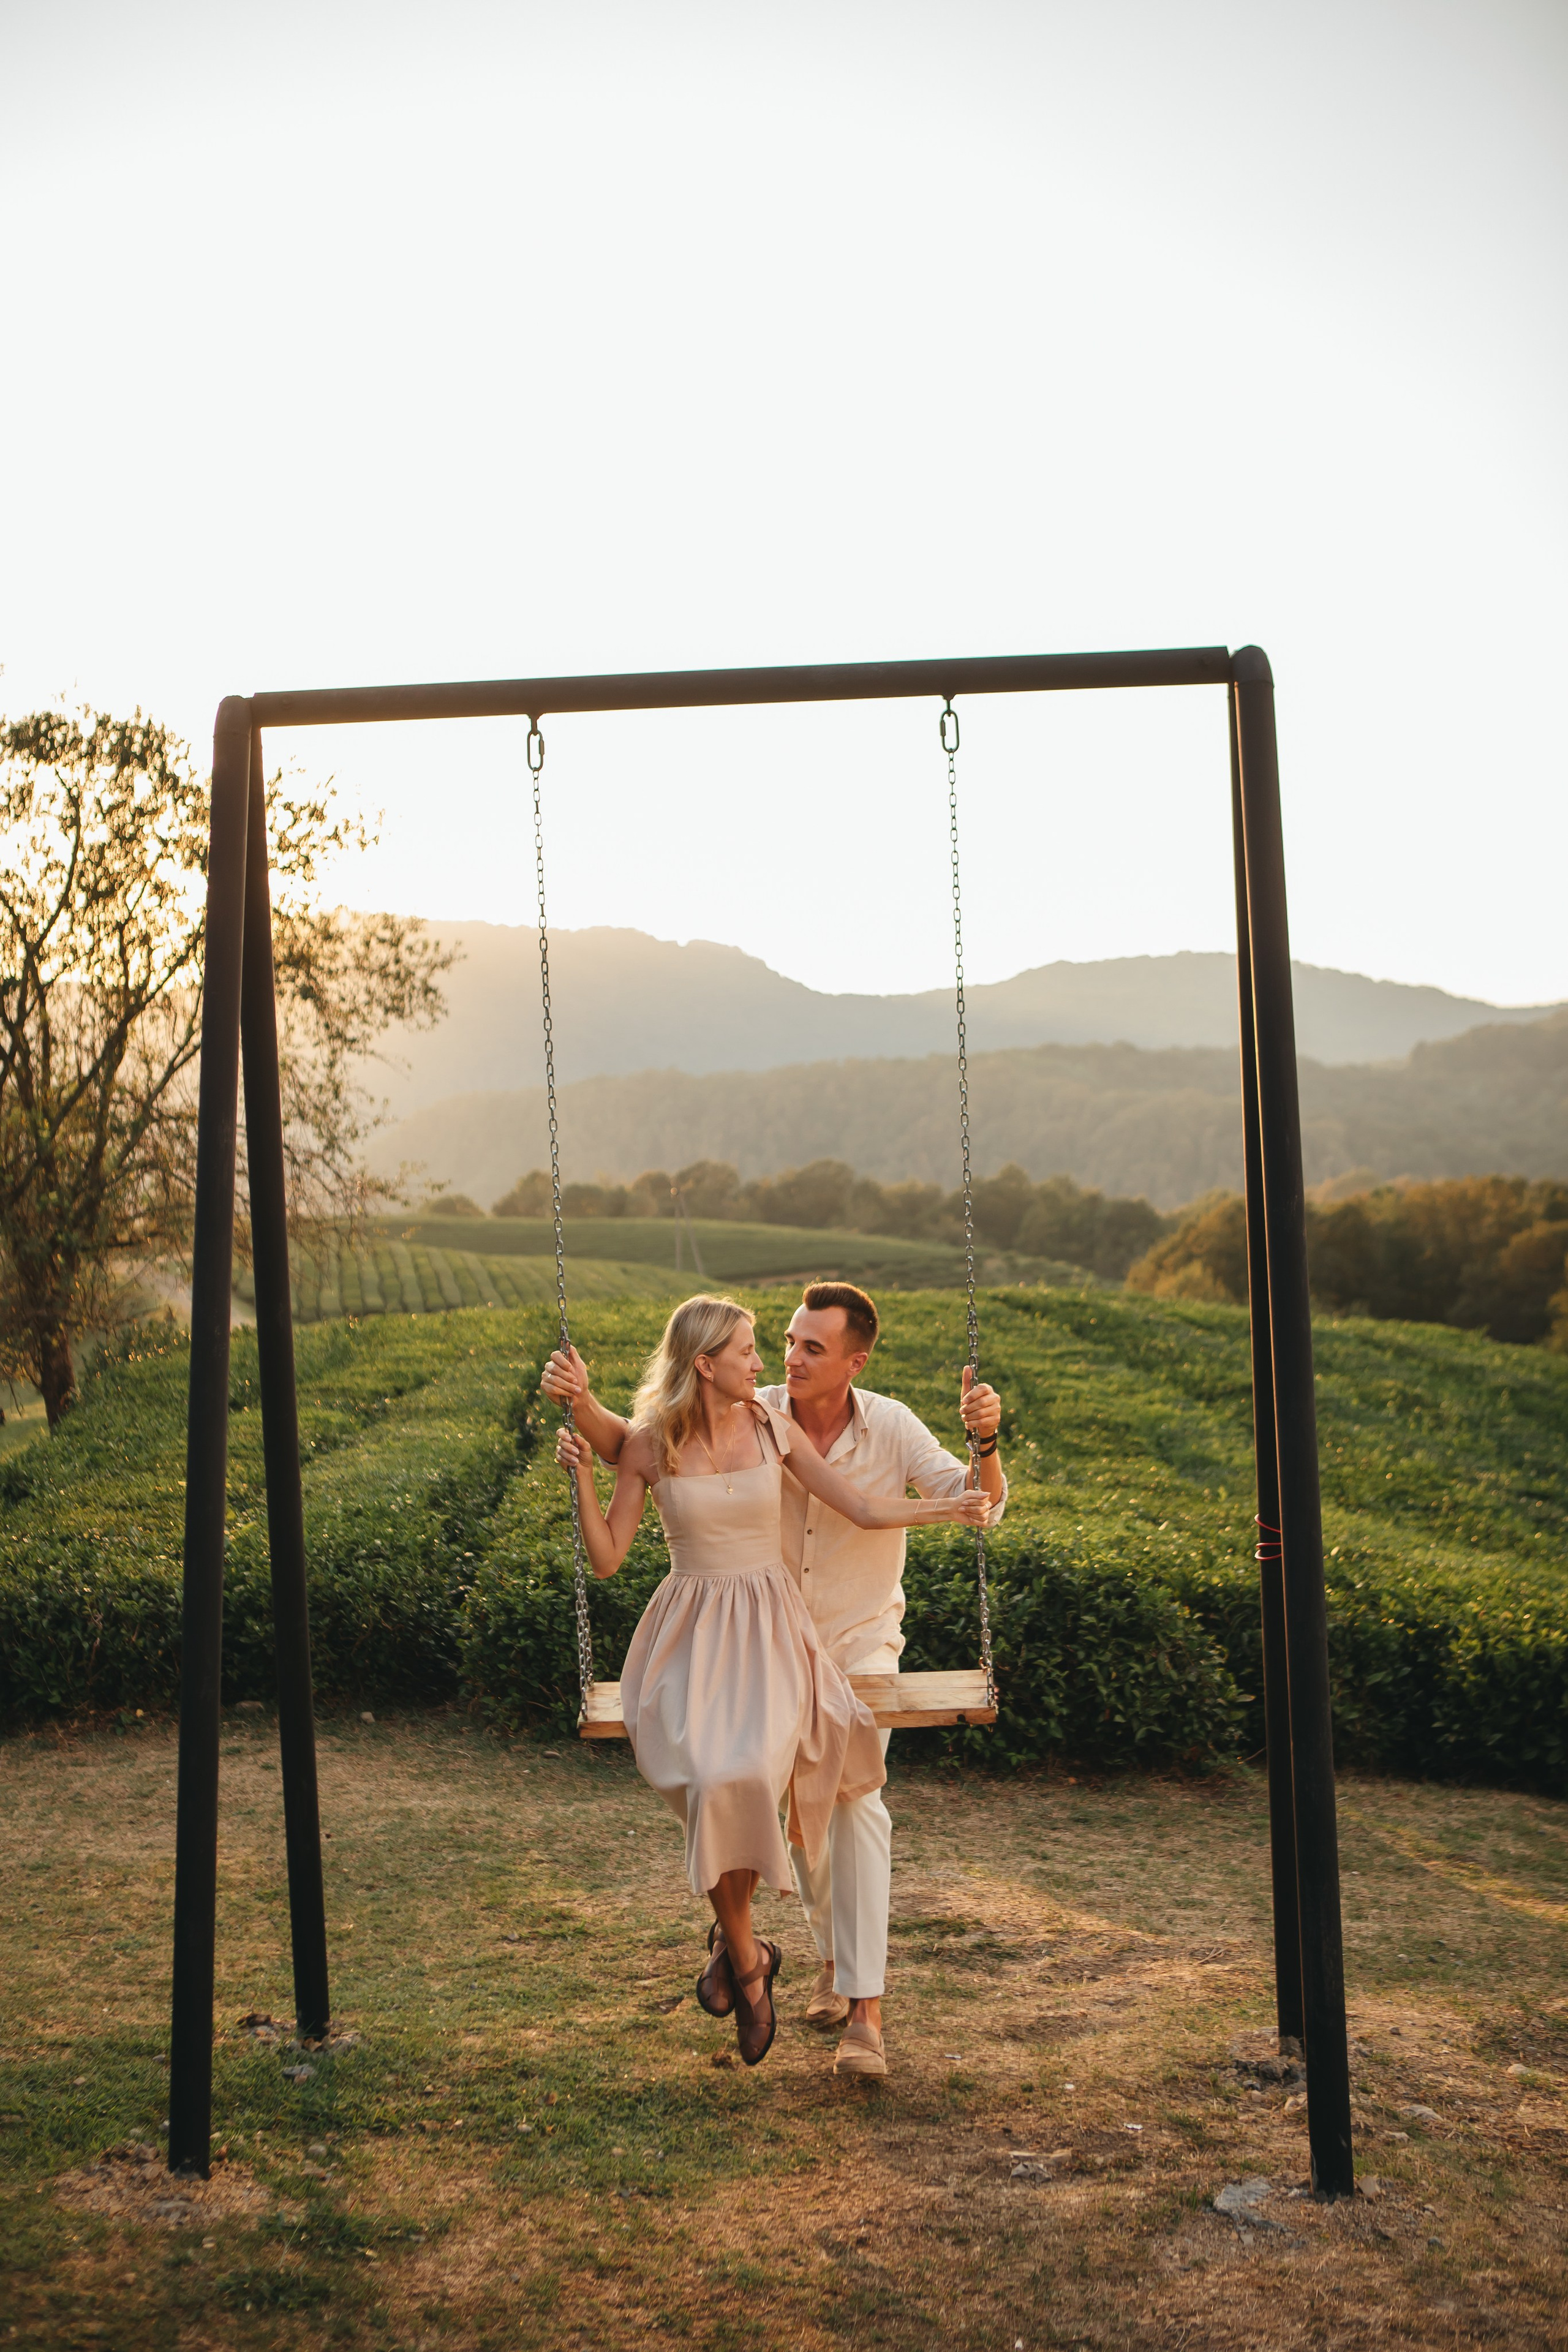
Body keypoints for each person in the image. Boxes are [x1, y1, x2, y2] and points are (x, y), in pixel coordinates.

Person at [543, 1278, 1006, 2079]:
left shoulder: (803, 1424)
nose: (778, 1361)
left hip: (808, 1636)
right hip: (701, 1640)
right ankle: (753, 1954)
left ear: (852, 1361)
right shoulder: (701, 1424)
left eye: (801, 1347)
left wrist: (965, 1489)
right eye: (766, 1347)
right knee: (728, 1780)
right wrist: (580, 1430)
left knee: (799, 1785)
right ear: (709, 1364)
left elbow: (883, 1507)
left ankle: (810, 1980)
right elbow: (619, 1494)